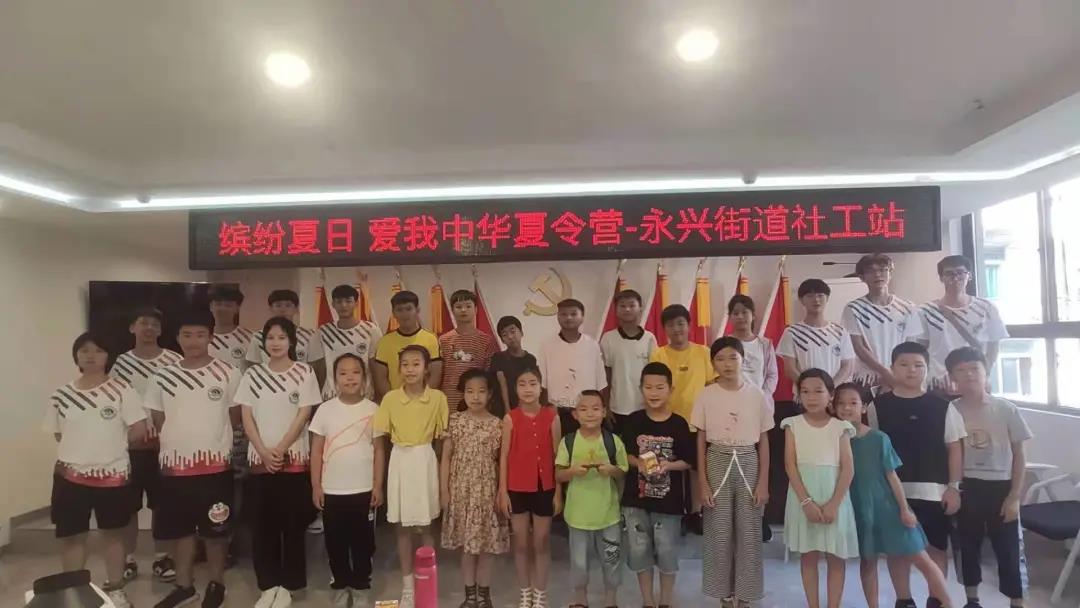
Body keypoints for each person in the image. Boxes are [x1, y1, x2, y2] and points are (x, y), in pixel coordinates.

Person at [143, 311, 241, 608]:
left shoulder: (229, 373)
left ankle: (216, 583)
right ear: (177, 338)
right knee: (180, 531)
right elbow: (158, 418)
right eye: (187, 335)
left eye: (200, 335)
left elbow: (235, 416)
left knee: (215, 531)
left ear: (210, 337)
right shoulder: (162, 376)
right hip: (175, 469)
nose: (193, 341)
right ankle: (184, 587)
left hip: (215, 468)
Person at [45, 332, 149, 608]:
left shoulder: (122, 390)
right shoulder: (61, 395)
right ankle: (73, 591)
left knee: (113, 535)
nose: (90, 356)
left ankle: (116, 589)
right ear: (76, 356)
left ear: (108, 356)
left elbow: (139, 430)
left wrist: (110, 447)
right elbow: (59, 434)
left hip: (112, 477)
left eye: (98, 350)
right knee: (72, 536)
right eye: (84, 350)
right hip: (70, 477)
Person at [832, 383, 952, 608]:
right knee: (868, 562)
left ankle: (947, 603)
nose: (847, 408)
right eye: (841, 403)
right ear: (834, 407)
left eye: (853, 403)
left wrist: (904, 509)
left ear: (864, 407)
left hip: (888, 508)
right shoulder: (833, 440)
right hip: (858, 509)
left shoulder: (878, 438)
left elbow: (892, 476)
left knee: (921, 558)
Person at [868, 342, 966, 608]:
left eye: (918, 365)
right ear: (892, 367)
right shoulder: (878, 406)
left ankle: (936, 600)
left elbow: (954, 449)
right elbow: (875, 449)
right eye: (904, 364)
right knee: (897, 550)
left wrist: (954, 487)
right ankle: (904, 600)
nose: (911, 370)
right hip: (892, 492)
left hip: (934, 492)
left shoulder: (944, 406)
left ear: (927, 368)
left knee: (936, 549)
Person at [236, 317, 322, 608]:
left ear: (291, 342)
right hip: (260, 462)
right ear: (263, 343)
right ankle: (268, 585)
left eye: (281, 337)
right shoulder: (253, 374)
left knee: (292, 526)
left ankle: (290, 585)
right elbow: (247, 416)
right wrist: (263, 451)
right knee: (263, 527)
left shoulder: (304, 372)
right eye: (270, 338)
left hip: (293, 461)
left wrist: (281, 449)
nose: (275, 343)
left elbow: (304, 413)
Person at [947, 347, 1032, 608]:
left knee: (1009, 549)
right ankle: (972, 600)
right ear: (952, 377)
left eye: (974, 368)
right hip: (967, 486)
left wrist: (1014, 496)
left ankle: (1017, 601)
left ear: (986, 372)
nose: (969, 375)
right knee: (967, 546)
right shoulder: (950, 410)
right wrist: (953, 489)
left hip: (1001, 487)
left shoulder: (1005, 408)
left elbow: (1019, 455)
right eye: (961, 370)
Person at [692, 337, 773, 606]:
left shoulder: (756, 394)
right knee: (718, 530)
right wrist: (703, 483)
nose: (727, 364)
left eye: (732, 357)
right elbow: (700, 439)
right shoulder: (706, 394)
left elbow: (764, 440)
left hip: (749, 461)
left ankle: (746, 595)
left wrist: (763, 482)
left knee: (749, 532)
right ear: (712, 363)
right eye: (720, 359)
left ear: (743, 359)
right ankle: (724, 595)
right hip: (717, 459)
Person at [109, 308, 182, 585]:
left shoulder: (174, 361)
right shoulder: (121, 363)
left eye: (154, 324)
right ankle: (128, 560)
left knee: (163, 506)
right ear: (133, 328)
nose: (149, 328)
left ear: (161, 330)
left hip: (165, 447)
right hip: (131, 449)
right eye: (143, 323)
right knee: (128, 508)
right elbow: (113, 401)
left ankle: (163, 558)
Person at [374, 345, 450, 608]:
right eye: (405, 364)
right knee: (403, 527)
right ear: (399, 369)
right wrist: (379, 482)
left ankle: (428, 580)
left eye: (416, 364)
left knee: (427, 526)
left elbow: (443, 441)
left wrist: (442, 480)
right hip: (400, 461)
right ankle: (408, 586)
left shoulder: (438, 398)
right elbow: (380, 440)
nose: (410, 369)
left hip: (425, 460)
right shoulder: (390, 399)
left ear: (426, 368)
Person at [309, 353, 386, 608]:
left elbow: (379, 450)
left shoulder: (373, 410)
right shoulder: (325, 410)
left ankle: (361, 585)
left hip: (363, 489)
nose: (349, 378)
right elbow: (316, 451)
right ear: (335, 378)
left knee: (363, 542)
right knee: (335, 541)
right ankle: (340, 584)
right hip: (332, 490)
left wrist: (377, 485)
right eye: (343, 373)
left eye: (355, 372)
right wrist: (316, 486)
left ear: (364, 377)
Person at [783, 369, 859, 608]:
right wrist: (806, 503)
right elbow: (790, 465)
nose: (811, 397)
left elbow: (848, 468)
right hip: (803, 497)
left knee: (836, 557)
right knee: (808, 557)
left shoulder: (840, 426)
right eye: (805, 391)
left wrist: (834, 504)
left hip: (834, 497)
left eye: (818, 391)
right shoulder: (792, 424)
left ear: (830, 395)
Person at [621, 362, 694, 608]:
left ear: (671, 389)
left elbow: (688, 461)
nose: (653, 393)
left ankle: (665, 601)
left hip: (669, 503)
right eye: (648, 387)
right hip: (635, 500)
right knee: (639, 551)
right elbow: (624, 455)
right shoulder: (633, 421)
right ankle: (648, 602)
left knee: (667, 552)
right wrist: (639, 463)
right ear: (640, 388)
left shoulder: (679, 424)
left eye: (660, 387)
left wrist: (668, 466)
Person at [440, 369, 510, 608]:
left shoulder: (498, 425)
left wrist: (501, 492)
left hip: (487, 493)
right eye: (470, 391)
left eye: (481, 391)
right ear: (463, 393)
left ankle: (484, 595)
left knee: (487, 548)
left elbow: (501, 462)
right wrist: (444, 491)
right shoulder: (455, 421)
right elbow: (446, 458)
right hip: (461, 492)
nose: (475, 396)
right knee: (467, 548)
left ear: (490, 394)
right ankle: (469, 595)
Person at [556, 390, 629, 608]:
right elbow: (558, 475)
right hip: (577, 515)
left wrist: (612, 470)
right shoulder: (568, 442)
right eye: (584, 409)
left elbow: (623, 471)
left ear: (604, 412)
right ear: (575, 414)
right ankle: (580, 598)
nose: (590, 414)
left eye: (596, 409)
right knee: (579, 562)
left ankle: (611, 600)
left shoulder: (613, 442)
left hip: (609, 515)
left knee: (612, 560)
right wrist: (572, 472)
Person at [498, 366, 561, 608]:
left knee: (542, 542)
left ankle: (540, 593)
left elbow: (558, 457)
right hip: (517, 487)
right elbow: (504, 456)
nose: (528, 389)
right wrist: (503, 491)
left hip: (545, 488)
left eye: (532, 383)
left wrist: (558, 492)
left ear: (540, 387)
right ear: (515, 389)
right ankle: (525, 592)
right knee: (521, 543)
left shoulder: (552, 417)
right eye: (522, 384)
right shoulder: (510, 418)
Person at [649, 303, 712, 535]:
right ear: (664, 329)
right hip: (668, 421)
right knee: (670, 467)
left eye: (680, 323)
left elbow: (711, 385)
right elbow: (654, 386)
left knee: (696, 469)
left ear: (689, 325)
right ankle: (674, 512)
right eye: (670, 325)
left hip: (698, 421)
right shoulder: (659, 354)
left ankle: (696, 513)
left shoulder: (703, 352)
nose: (676, 329)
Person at [910, 255, 1009, 397]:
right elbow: (920, 350)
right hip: (939, 384)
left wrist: (985, 374)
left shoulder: (987, 308)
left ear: (969, 276)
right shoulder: (925, 311)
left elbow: (994, 346)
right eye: (949, 273)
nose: (955, 278)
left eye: (960, 273)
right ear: (941, 278)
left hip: (974, 383)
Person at [841, 254, 918, 394]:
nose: (877, 274)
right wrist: (885, 373)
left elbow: (911, 346)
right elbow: (858, 347)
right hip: (867, 378)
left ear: (890, 273)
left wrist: (897, 373)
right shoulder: (853, 308)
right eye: (871, 271)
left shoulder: (908, 307)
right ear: (862, 277)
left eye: (883, 270)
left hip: (900, 376)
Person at [537, 298, 607, 435]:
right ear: (558, 317)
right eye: (563, 314)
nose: (568, 317)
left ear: (582, 317)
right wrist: (546, 410)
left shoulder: (592, 345)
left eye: (573, 314)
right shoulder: (547, 345)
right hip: (558, 411)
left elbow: (600, 382)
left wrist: (603, 409)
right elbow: (542, 382)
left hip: (587, 413)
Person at [778, 279, 856, 387]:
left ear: (827, 298)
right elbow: (790, 369)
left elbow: (847, 366)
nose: (816, 300)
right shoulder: (792, 332)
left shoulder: (840, 332)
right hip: (805, 394)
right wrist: (812, 390)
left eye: (820, 295)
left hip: (834, 393)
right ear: (801, 300)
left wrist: (829, 388)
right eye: (810, 296)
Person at [600, 289, 657, 433]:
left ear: (640, 308)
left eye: (632, 305)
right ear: (616, 310)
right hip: (616, 408)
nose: (627, 309)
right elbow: (606, 375)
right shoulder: (608, 338)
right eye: (622, 305)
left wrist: (653, 405)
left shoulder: (649, 338)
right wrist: (605, 406)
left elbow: (654, 376)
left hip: (644, 408)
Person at [245, 289, 326, 389]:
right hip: (267, 391)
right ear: (270, 309)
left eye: (288, 305)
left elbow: (318, 371)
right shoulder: (258, 337)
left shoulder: (310, 335)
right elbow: (252, 368)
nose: (283, 310)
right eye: (278, 305)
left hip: (301, 391)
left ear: (296, 309)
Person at [372, 290, 443, 401]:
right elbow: (381, 379)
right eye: (399, 310)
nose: (404, 314)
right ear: (393, 313)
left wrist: (422, 398)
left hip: (424, 402)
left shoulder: (431, 339)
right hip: (396, 403)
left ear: (417, 310)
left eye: (409, 309)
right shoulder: (385, 342)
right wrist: (394, 401)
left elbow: (435, 374)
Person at [317, 284, 383, 399]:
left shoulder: (371, 329)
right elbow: (320, 368)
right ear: (333, 304)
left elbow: (375, 365)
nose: (344, 305)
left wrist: (379, 396)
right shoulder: (323, 332)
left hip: (364, 395)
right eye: (339, 301)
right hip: (331, 397)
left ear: (356, 303)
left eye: (348, 301)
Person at [438, 290, 498, 412]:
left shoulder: (487, 340)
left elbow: (489, 375)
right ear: (452, 310)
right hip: (449, 400)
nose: (463, 310)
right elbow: (439, 373)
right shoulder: (443, 340)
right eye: (458, 307)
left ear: (475, 309)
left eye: (468, 306)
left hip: (477, 400)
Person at [725, 294, 778, 399]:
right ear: (730, 317)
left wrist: (762, 396)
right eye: (735, 313)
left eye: (744, 312)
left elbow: (772, 375)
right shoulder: (723, 343)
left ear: (753, 315)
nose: (740, 316)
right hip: (731, 400)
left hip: (759, 401)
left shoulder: (765, 344)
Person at [489, 315, 537, 417]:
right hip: (504, 409)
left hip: (527, 407)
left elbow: (533, 384)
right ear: (502, 340)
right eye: (505, 334)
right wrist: (507, 409)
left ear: (521, 333)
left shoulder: (531, 359)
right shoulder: (498, 357)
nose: (510, 337)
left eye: (513, 331)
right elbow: (502, 383)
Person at [208, 285, 252, 371]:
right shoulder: (200, 337)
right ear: (211, 306)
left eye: (228, 305)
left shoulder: (250, 338)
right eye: (218, 304)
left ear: (237, 308)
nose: (222, 308)